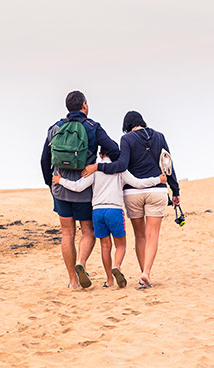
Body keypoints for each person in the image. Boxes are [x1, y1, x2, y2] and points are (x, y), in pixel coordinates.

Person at [82, 111, 180, 289]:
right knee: (153, 236)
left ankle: (142, 270)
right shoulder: (160, 137)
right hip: (156, 191)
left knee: (140, 235)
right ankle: (146, 274)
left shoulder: (126, 139)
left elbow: (121, 166)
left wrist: (98, 166)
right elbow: (168, 164)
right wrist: (175, 190)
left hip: (133, 193)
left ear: (127, 126)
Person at [40, 91, 120, 289]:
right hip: (84, 191)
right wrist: (98, 164)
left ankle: (73, 281)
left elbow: (44, 159)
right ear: (84, 105)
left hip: (60, 188)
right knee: (88, 231)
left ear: (68, 107)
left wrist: (50, 184)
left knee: (67, 233)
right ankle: (81, 263)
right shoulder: (93, 127)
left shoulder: (55, 128)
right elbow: (115, 150)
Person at [53, 150, 166, 288]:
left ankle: (109, 280)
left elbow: (77, 186)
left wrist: (60, 180)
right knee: (121, 245)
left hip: (97, 212)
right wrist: (158, 180)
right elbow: (138, 183)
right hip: (115, 210)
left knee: (105, 246)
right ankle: (117, 266)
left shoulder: (94, 169)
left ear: (100, 155)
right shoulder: (120, 170)